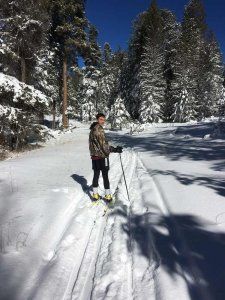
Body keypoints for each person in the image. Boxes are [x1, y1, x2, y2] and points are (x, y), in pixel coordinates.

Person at [89, 113, 123, 202]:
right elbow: (103, 145)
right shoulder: (99, 129)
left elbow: (94, 144)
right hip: (102, 156)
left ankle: (95, 194)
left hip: (94, 156)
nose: (102, 121)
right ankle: (108, 195)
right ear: (97, 119)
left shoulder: (92, 128)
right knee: (105, 175)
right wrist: (114, 149)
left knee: (96, 174)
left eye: (103, 119)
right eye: (101, 119)